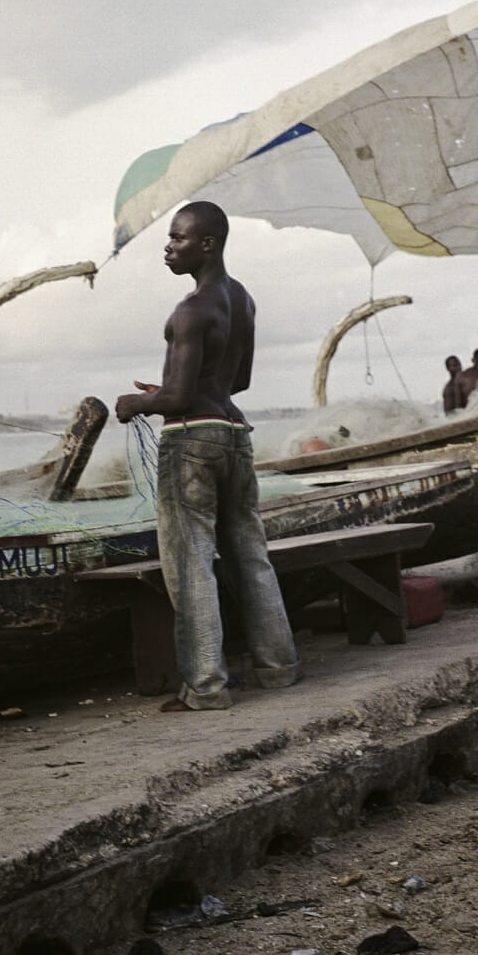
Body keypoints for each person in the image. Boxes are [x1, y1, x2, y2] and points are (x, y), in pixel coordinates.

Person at [114, 202, 299, 712]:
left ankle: (205, 687)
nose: (168, 247)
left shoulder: (190, 310)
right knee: (250, 554)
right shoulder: (243, 300)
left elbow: (174, 400)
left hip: (192, 439)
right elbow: (237, 381)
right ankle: (278, 667)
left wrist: (137, 403)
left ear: (207, 244)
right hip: (235, 434)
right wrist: (175, 389)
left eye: (177, 239)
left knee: (190, 563)